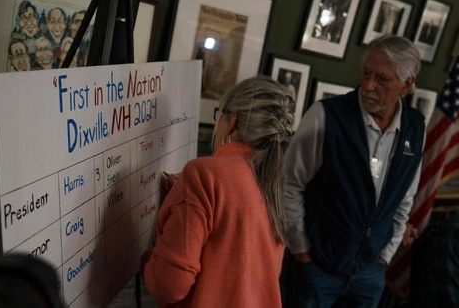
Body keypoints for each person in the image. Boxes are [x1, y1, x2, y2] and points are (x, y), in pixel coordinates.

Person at [282, 34, 425, 307]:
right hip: (317, 267)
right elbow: (290, 184)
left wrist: (386, 254)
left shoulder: (416, 127)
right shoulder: (325, 115)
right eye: (366, 73)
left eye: (382, 79)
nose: (368, 85)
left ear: (407, 84)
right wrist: (301, 250)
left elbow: (405, 196)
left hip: (370, 272)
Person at [143, 76, 295, 307]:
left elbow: (169, 285)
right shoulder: (275, 181)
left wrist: (148, 261)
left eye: (218, 114)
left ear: (231, 122)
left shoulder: (204, 174)